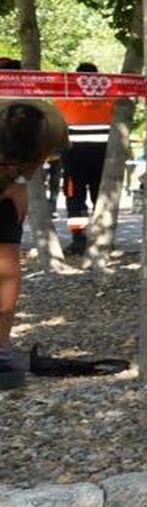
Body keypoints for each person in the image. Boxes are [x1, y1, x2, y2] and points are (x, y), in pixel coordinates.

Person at [0, 100, 70, 388]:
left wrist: (18, 182)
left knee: (5, 268)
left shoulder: (52, 129)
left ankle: (0, 349)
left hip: (10, 188)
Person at [59, 63, 112, 258]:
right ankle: (101, 240)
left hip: (74, 159)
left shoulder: (64, 99)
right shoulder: (110, 101)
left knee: (75, 200)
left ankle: (79, 241)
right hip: (102, 158)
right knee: (100, 198)